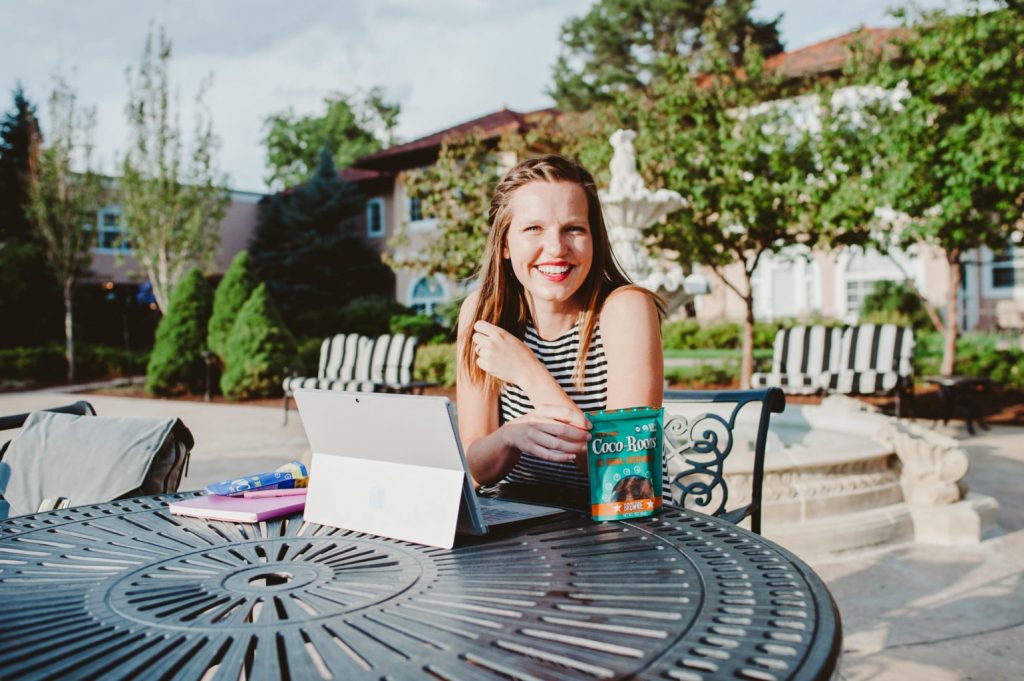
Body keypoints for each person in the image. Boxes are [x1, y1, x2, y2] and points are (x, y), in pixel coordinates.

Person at [456, 154, 664, 495]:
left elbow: (628, 476)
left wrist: (529, 374)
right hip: (525, 527)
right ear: (505, 244)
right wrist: (511, 436)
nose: (556, 248)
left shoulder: (625, 309)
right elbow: (476, 469)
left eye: (574, 229)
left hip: (623, 532)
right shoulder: (482, 313)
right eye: (533, 228)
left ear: (594, 240)